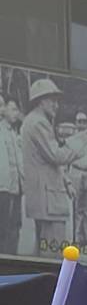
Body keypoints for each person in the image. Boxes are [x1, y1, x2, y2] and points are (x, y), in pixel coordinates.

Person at [20, 79, 73, 250]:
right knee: (54, 255)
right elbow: (56, 155)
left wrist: (67, 181)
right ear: (41, 101)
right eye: (52, 100)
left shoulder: (32, 121)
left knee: (43, 253)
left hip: (43, 199)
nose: (56, 105)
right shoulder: (39, 122)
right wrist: (78, 145)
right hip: (49, 200)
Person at [66, 110, 87, 246]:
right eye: (79, 121)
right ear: (75, 123)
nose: (82, 124)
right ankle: (77, 239)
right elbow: (65, 160)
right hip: (76, 172)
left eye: (84, 121)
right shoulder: (71, 142)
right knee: (77, 208)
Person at [0, 98, 22, 254]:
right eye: (12, 109)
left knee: (16, 224)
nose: (16, 113)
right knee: (4, 226)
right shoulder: (1, 130)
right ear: (4, 111)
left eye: (17, 110)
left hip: (16, 187)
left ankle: (13, 257)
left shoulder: (14, 133)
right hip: (4, 187)